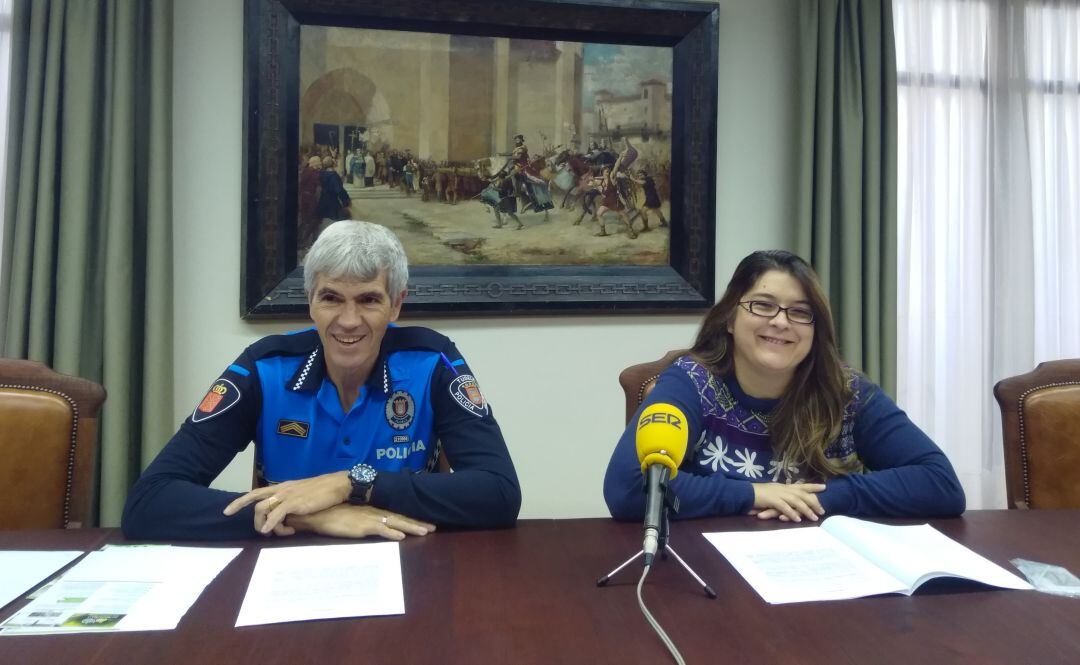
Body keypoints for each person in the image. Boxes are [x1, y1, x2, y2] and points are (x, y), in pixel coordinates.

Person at [123, 221, 521, 540]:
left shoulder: (433, 362)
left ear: (396, 304)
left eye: (368, 299)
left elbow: (499, 494)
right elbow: (149, 503)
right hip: (283, 576)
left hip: (411, 568)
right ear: (310, 299)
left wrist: (350, 483)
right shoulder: (264, 369)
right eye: (331, 298)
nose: (348, 321)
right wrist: (310, 518)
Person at [604, 250, 965, 523]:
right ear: (730, 317)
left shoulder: (847, 392)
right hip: (710, 571)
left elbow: (941, 484)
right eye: (763, 305)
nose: (780, 322)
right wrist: (754, 494)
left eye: (800, 312)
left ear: (815, 327)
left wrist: (820, 498)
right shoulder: (691, 382)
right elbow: (630, 488)